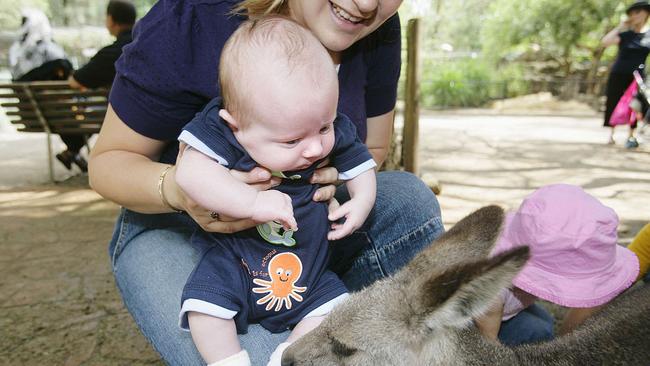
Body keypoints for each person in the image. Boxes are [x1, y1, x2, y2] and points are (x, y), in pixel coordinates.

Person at [87, 0, 559, 364]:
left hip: (306, 234)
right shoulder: (194, 16)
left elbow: (370, 152)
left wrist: (332, 171)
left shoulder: (374, 30)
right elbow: (108, 162)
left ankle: (452, 331)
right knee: (229, 344)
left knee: (409, 196)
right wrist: (183, 191)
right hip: (180, 228)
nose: (365, 4)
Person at [175, 17, 377, 365]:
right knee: (204, 309)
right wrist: (251, 202)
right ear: (236, 126)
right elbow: (190, 172)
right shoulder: (220, 131)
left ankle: (290, 353)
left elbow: (362, 165)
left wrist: (361, 201)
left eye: (324, 127)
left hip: (309, 267)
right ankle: (228, 360)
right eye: (292, 140)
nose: (315, 148)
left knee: (335, 309)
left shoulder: (319, 123)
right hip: (235, 262)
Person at [476, 184, 641, 344]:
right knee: (537, 331)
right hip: (473, 320)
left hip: (502, 306)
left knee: (544, 321)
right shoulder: (492, 293)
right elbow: (487, 337)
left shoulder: (527, 250)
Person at [56, 0, 137, 173]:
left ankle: (72, 150)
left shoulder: (112, 52)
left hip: (119, 115)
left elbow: (75, 81)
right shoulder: (147, 44)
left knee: (99, 110)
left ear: (111, 20)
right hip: (153, 112)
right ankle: (72, 152)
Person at [601, 0, 650, 149]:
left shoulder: (649, 36)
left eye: (638, 12)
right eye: (632, 13)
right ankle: (612, 133)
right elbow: (605, 42)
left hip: (637, 77)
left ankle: (631, 135)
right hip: (619, 72)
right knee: (614, 100)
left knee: (636, 105)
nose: (635, 16)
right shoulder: (625, 35)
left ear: (646, 14)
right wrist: (621, 26)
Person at [8, 8, 72, 82]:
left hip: (32, 82)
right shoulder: (19, 46)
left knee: (62, 64)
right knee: (62, 63)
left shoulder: (46, 45)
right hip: (25, 82)